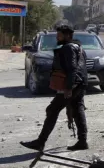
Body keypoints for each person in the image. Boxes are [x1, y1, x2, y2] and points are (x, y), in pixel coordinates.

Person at [21, 19, 88, 151]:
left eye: (60, 35)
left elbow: (72, 68)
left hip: (73, 85)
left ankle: (40, 142)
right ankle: (82, 141)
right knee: (77, 110)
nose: (58, 37)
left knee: (52, 110)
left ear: (68, 36)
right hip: (80, 83)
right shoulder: (78, 47)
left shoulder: (68, 48)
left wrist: (68, 88)